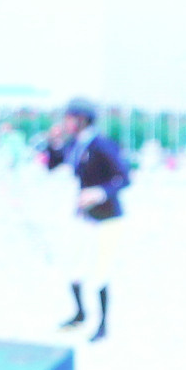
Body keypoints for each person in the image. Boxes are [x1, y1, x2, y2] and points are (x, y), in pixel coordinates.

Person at [41, 98, 127, 342]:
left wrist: (100, 192)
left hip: (107, 217)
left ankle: (102, 324)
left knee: (101, 269)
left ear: (82, 119)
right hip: (83, 215)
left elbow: (124, 177)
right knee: (73, 265)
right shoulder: (76, 144)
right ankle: (80, 313)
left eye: (69, 118)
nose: (65, 122)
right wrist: (53, 143)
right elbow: (53, 165)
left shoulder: (102, 145)